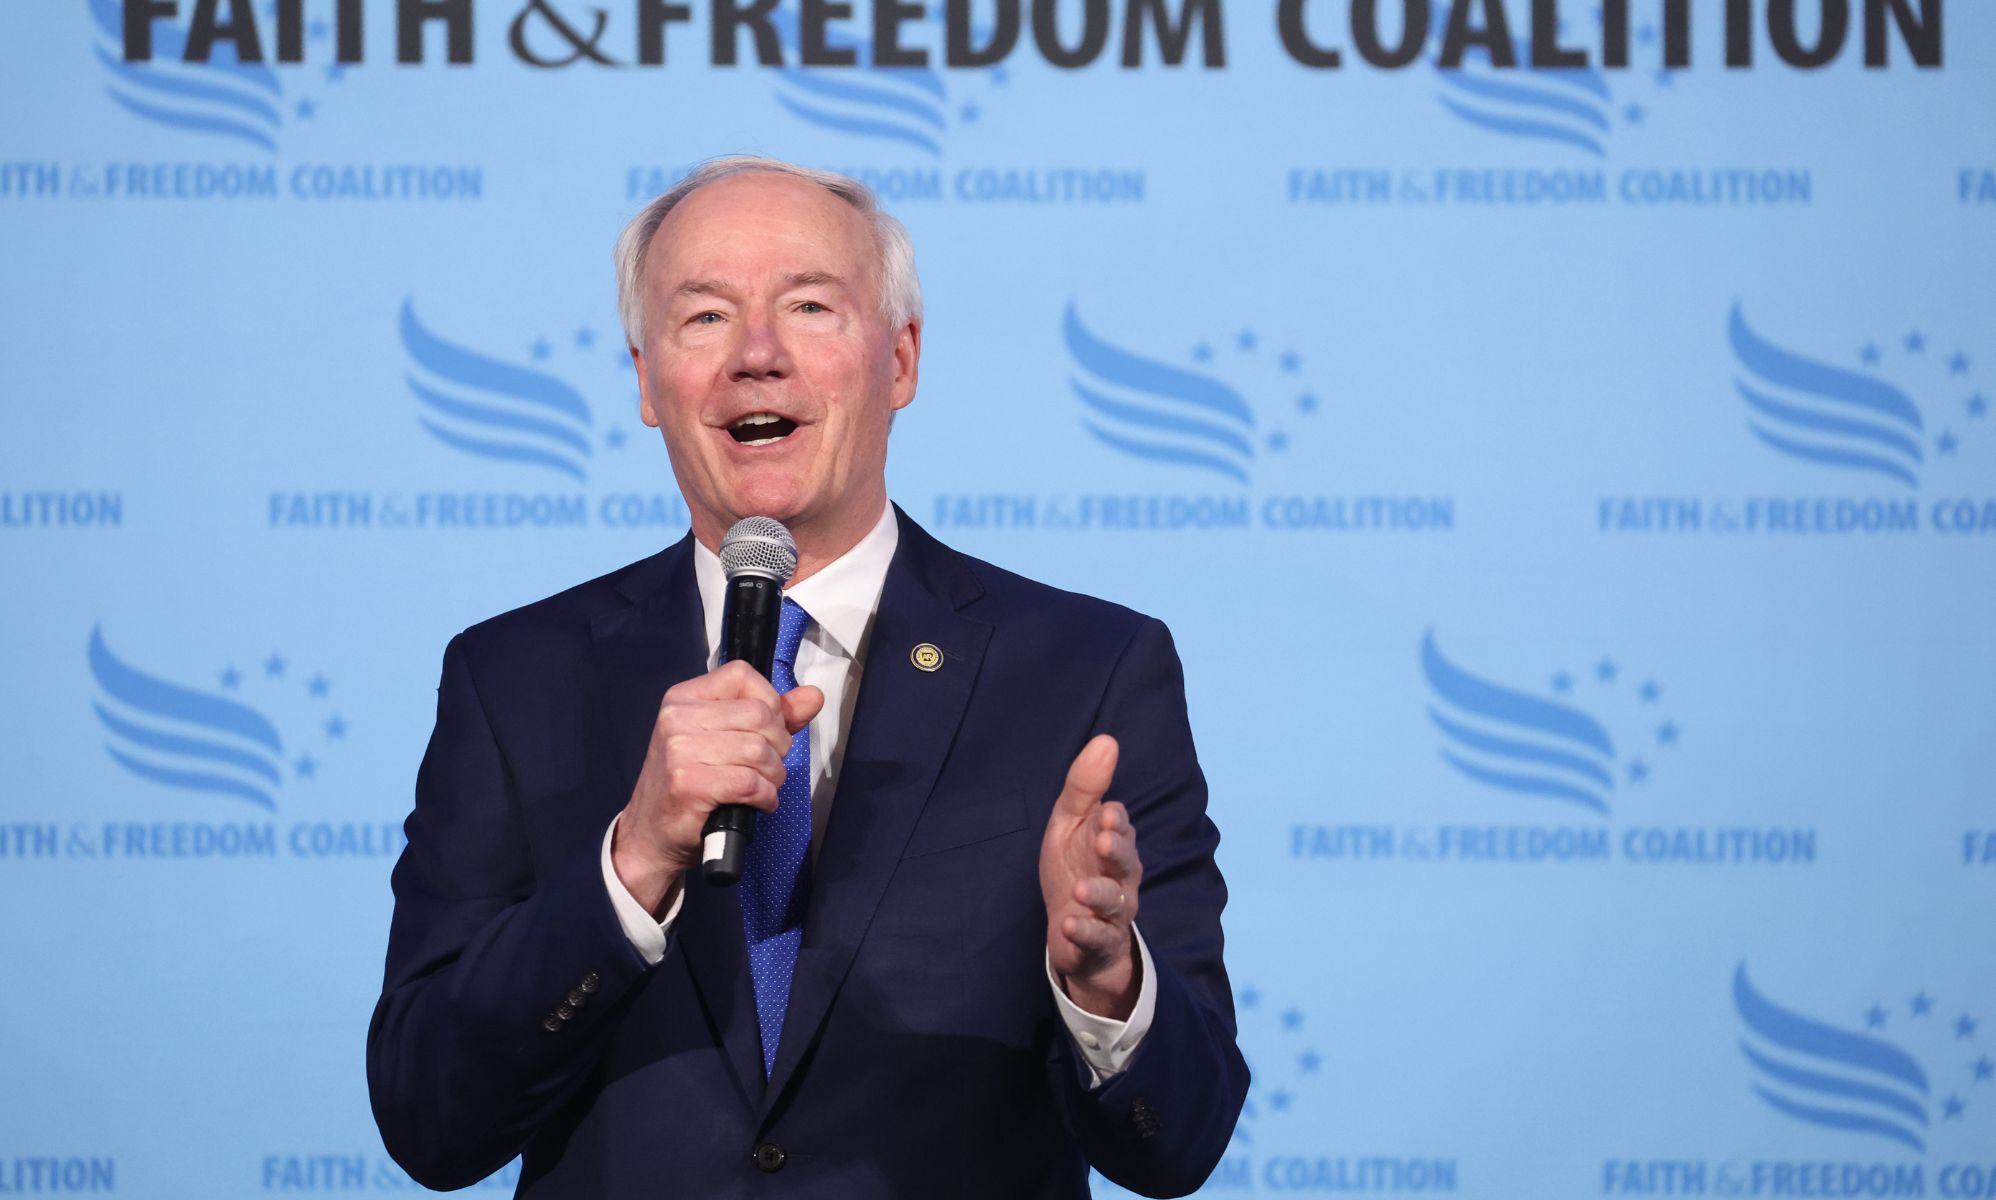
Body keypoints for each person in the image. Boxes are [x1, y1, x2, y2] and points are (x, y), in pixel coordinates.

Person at [366, 155, 1248, 1198]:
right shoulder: (511, 677)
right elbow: (429, 1119)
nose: (756, 357)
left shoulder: (1087, 670)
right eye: (703, 319)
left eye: (810, 306)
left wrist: (1103, 980)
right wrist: (633, 859)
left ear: (901, 361)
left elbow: (1178, 1143)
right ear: (648, 383)